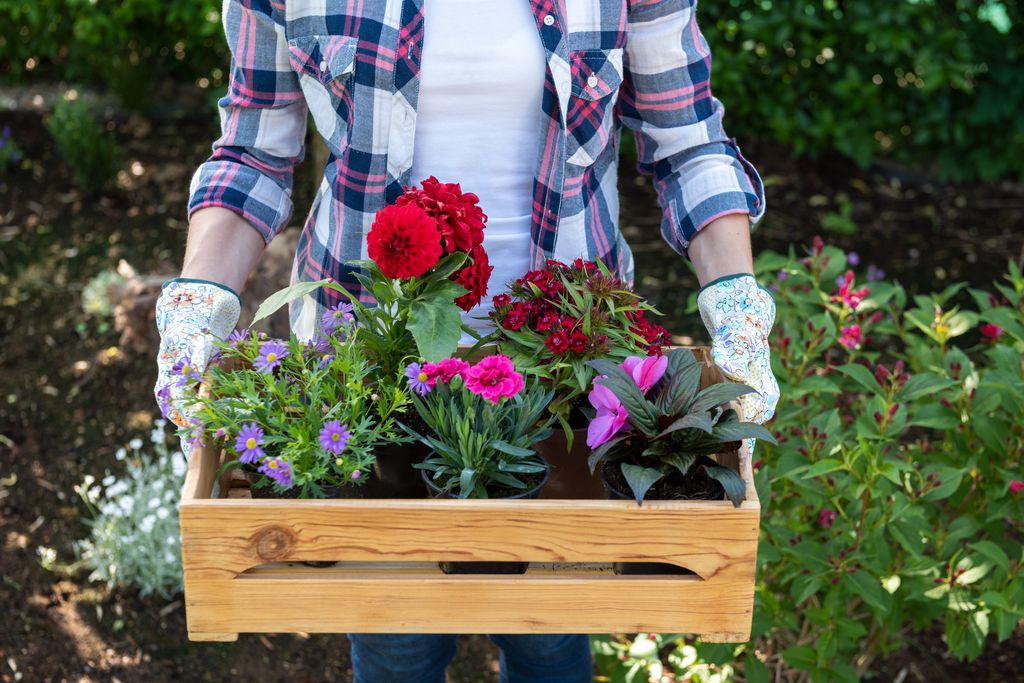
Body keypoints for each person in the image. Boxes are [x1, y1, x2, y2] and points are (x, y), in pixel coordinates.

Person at [154, 0, 779, 681]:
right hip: (371, 375)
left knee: (548, 634)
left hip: (566, 378)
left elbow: (687, 142)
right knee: (397, 643)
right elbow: (253, 151)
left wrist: (738, 301)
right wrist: (198, 302)